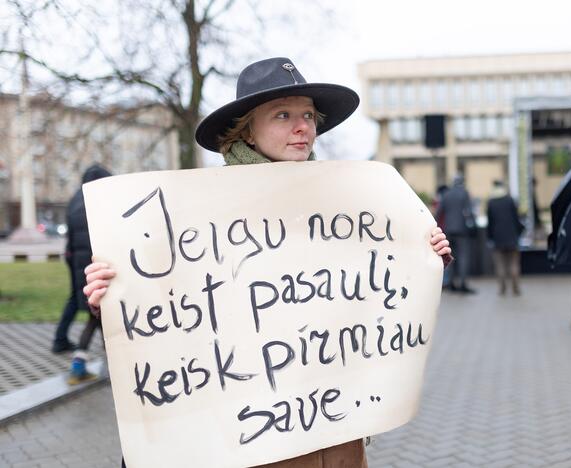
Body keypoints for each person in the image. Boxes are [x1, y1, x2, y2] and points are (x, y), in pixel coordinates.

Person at [82, 57, 452, 468]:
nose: (303, 127)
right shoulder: (200, 214)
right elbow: (168, 315)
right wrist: (110, 300)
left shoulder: (347, 207)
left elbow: (368, 293)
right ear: (247, 131)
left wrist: (422, 260)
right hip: (256, 441)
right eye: (283, 115)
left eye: (309, 115)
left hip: (339, 433)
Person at [52, 164, 112, 357]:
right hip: (97, 263)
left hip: (76, 260)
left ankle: (60, 339)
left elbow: (70, 234)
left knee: (81, 302)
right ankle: (82, 354)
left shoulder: (75, 200)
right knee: (97, 307)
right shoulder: (102, 198)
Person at [437, 174, 476, 293]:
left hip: (449, 229)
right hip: (462, 229)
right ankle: (463, 284)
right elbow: (469, 211)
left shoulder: (446, 194)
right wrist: (473, 224)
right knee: (463, 257)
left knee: (450, 257)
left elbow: (439, 212)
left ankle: (451, 283)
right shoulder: (464, 193)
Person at [485, 180, 523, 296]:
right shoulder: (510, 200)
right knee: (514, 263)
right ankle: (516, 288)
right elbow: (517, 219)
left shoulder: (491, 202)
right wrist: (518, 233)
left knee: (500, 264)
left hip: (497, 237)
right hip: (512, 236)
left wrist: (490, 236)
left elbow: (490, 222)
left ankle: (502, 289)